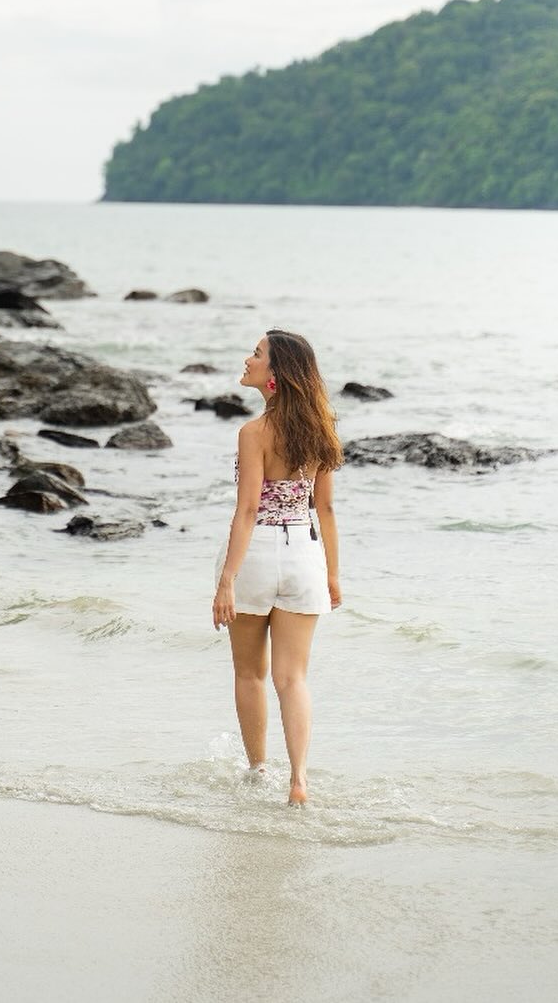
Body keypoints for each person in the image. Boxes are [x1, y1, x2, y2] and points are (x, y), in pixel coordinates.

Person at [212, 329, 342, 805]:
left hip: (258, 553)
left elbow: (247, 510)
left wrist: (226, 580)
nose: (249, 359)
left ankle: (258, 771)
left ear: (277, 373)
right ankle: (300, 781)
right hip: (306, 554)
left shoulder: (253, 433)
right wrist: (331, 574)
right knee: (294, 678)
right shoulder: (322, 428)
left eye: (258, 354)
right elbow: (324, 509)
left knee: (250, 674)